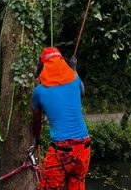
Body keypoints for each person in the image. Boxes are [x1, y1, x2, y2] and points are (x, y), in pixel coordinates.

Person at [32, 47, 91, 190]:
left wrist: (37, 138)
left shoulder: (39, 92)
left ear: (43, 65)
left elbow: (36, 122)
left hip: (61, 149)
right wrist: (73, 69)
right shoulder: (75, 79)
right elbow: (82, 91)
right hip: (84, 146)